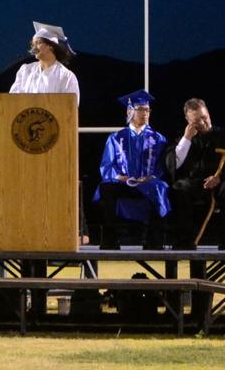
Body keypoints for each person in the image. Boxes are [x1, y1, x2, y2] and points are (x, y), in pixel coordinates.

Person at [93, 90, 170, 250]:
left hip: (147, 184)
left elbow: (162, 166)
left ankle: (154, 241)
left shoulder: (158, 138)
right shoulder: (115, 138)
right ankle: (110, 240)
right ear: (130, 111)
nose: (145, 113)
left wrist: (150, 177)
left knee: (160, 186)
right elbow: (107, 165)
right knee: (106, 187)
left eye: (147, 110)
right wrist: (120, 177)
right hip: (123, 183)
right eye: (140, 109)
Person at [164, 98, 225, 249]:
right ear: (188, 120)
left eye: (205, 118)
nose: (203, 123)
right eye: (197, 121)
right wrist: (187, 138)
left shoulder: (222, 136)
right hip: (195, 183)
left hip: (220, 182)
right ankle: (184, 242)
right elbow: (173, 164)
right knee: (179, 187)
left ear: (209, 113)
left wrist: (219, 177)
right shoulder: (182, 137)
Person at [9, 21, 80, 105]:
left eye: (38, 43)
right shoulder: (25, 71)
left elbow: (70, 107)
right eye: (33, 45)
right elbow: (12, 100)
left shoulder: (66, 77)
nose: (34, 48)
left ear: (51, 46)